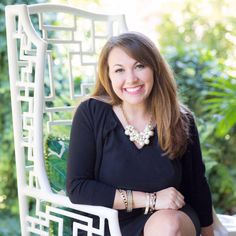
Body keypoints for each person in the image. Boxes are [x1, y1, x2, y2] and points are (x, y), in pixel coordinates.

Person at [66, 31, 214, 236]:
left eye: (140, 66)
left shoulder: (180, 119)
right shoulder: (91, 113)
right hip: (107, 225)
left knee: (169, 225)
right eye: (119, 70)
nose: (131, 79)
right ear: (107, 76)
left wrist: (209, 234)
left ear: (154, 68)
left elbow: (197, 186)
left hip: (169, 220)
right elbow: (78, 188)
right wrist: (151, 199)